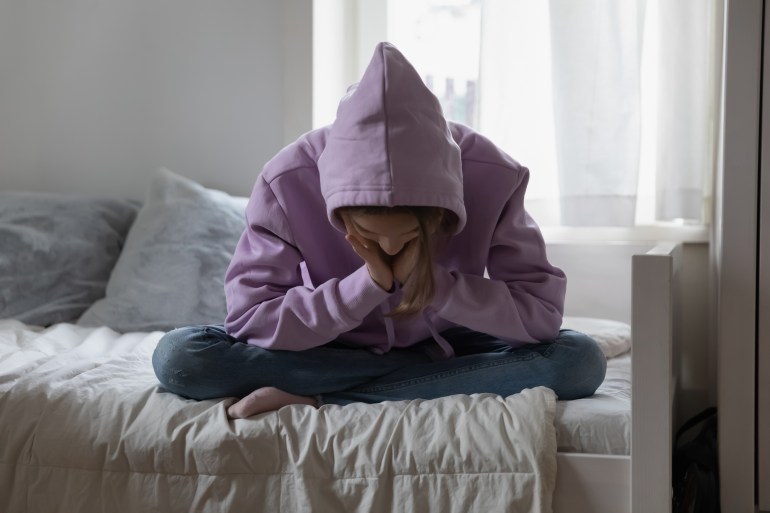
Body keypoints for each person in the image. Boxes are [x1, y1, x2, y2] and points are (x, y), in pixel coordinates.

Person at [152, 42, 606, 419]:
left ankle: (327, 399)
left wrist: (437, 287)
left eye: (409, 238)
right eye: (369, 238)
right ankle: (420, 384)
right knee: (181, 356)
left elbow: (540, 316)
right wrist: (365, 286)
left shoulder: (494, 174)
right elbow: (251, 319)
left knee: (578, 360)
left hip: (453, 341)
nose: (388, 247)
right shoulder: (287, 180)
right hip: (330, 347)